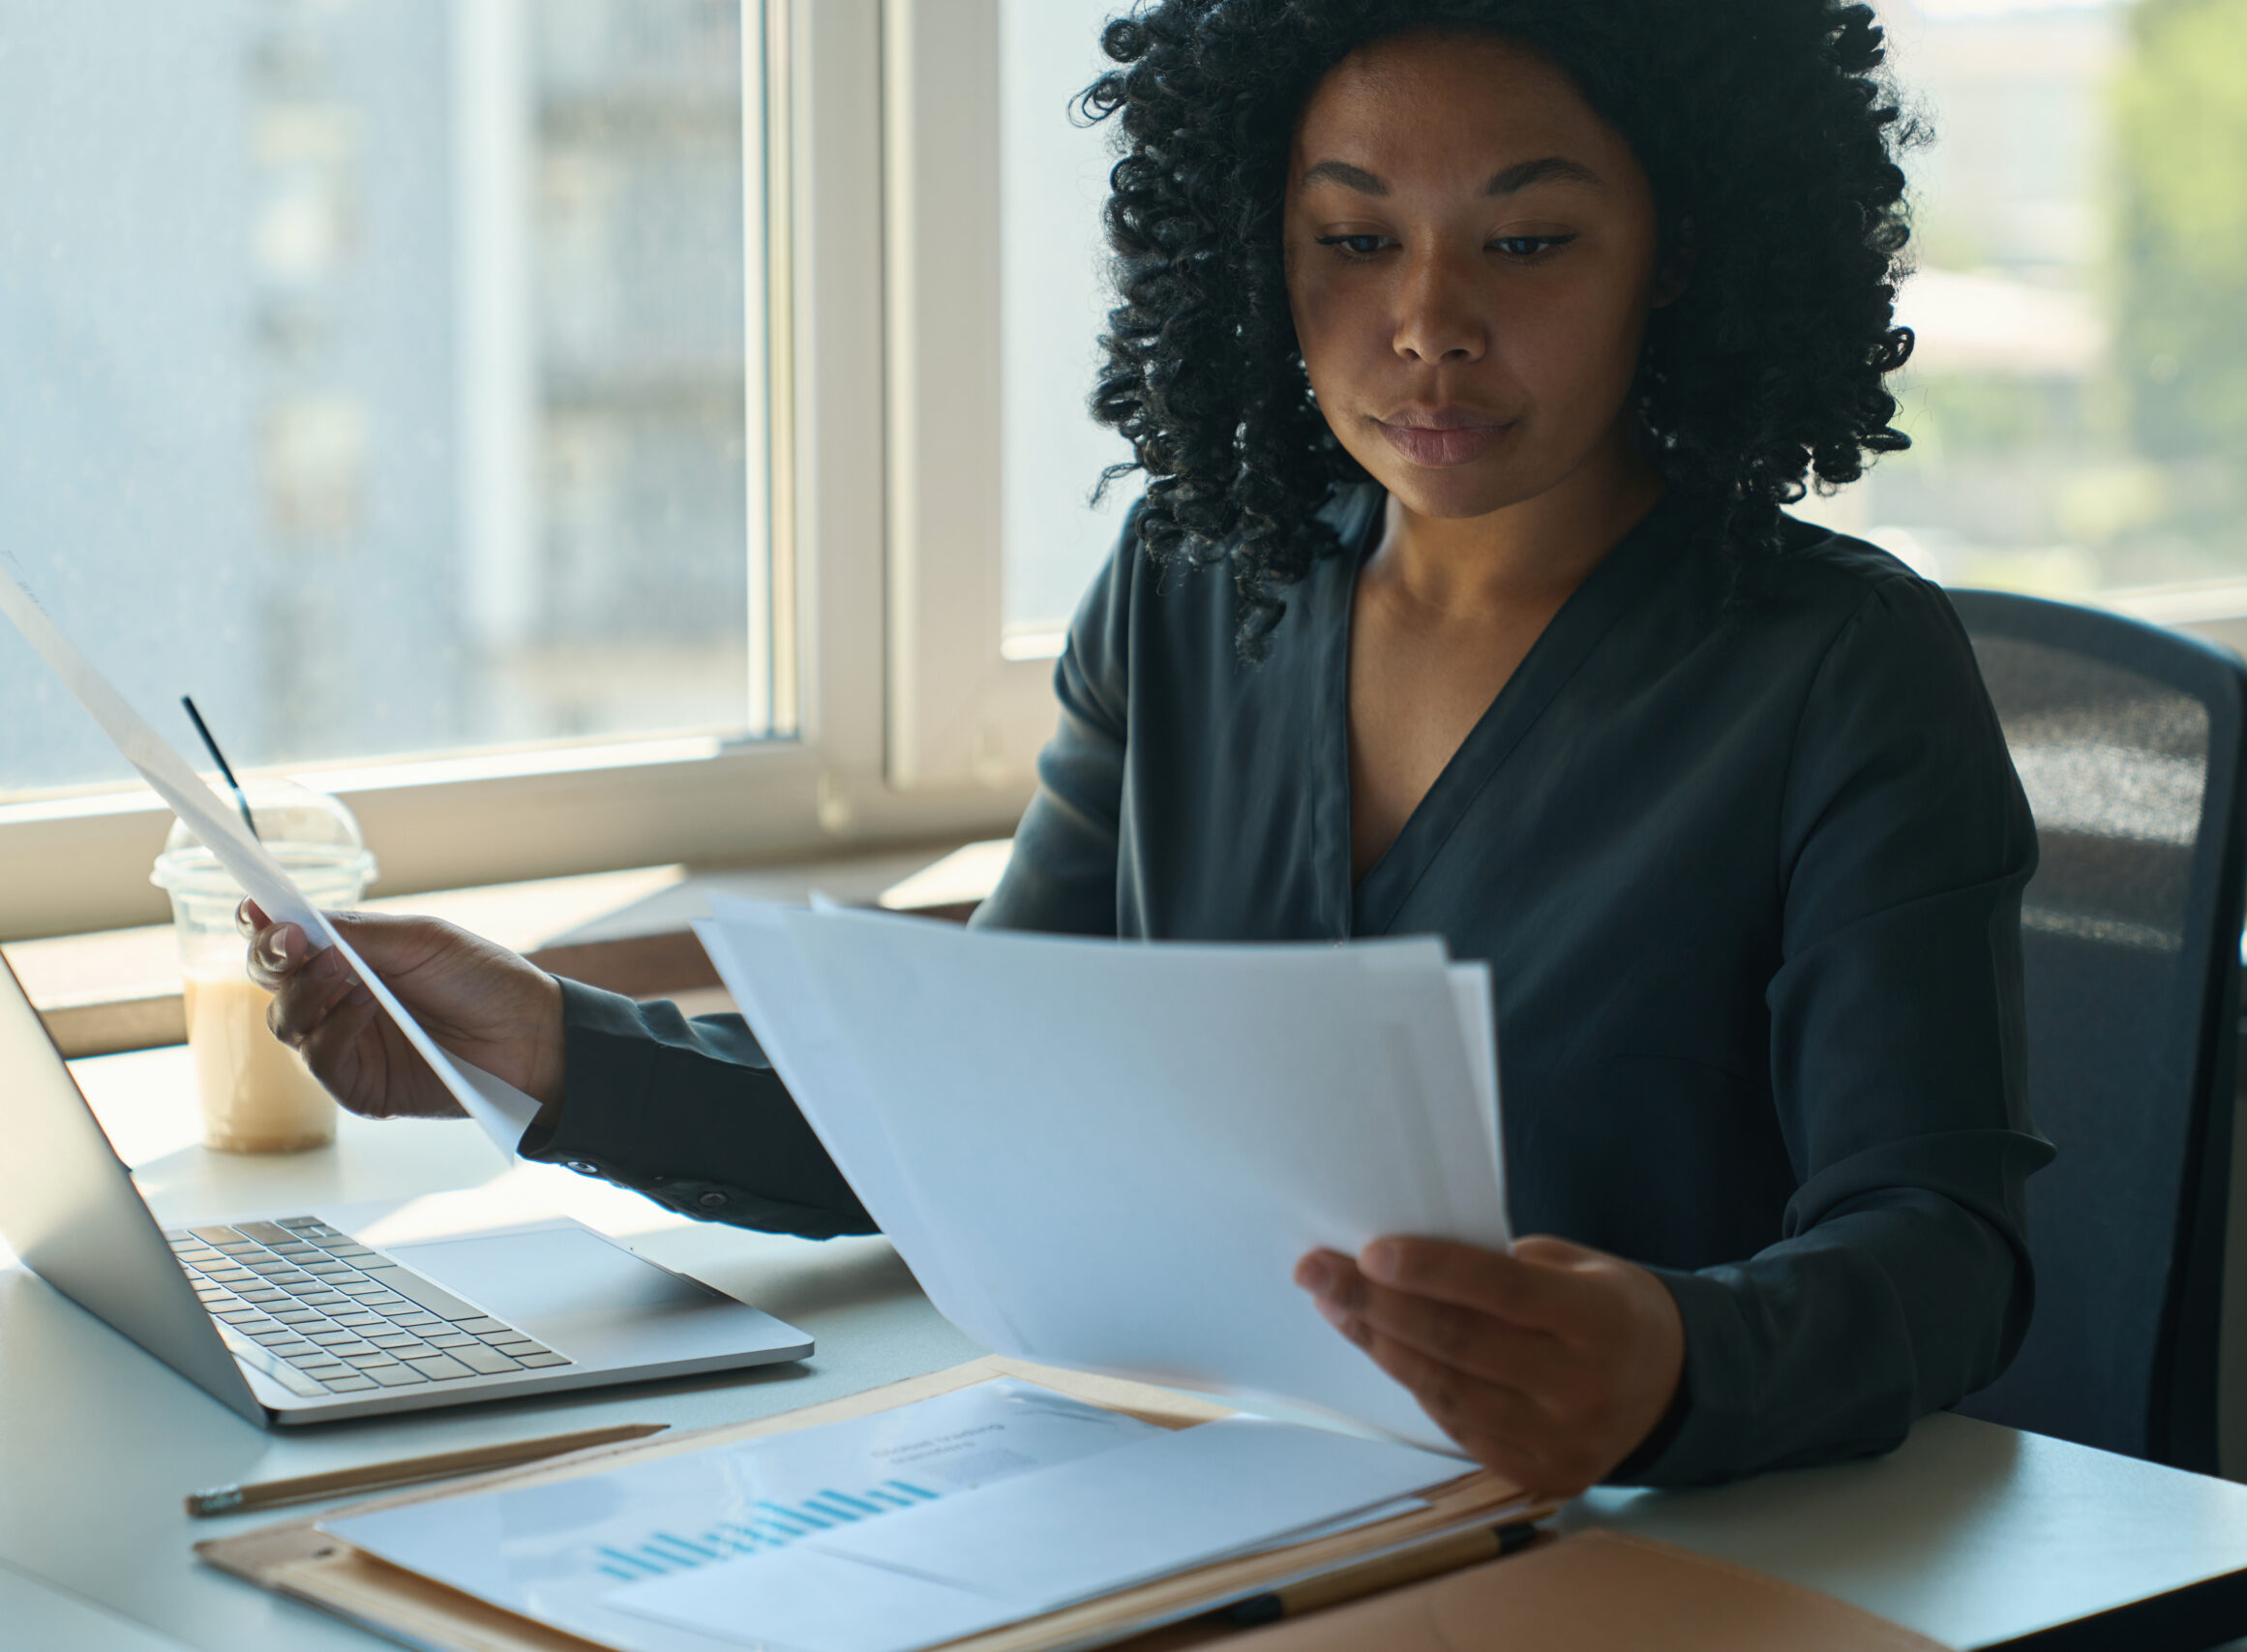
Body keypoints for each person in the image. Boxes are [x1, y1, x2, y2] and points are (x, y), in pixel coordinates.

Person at [246, 0, 2050, 1499]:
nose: (1428, 319)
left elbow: (1943, 1252)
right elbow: (984, 1111)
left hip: (1653, 1550)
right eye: (1353, 238)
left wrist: (1670, 1361)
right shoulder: (1194, 591)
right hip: (1211, 1503)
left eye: (1527, 238)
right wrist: (548, 1048)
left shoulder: (1843, 672)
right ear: (1258, 252)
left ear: (1682, 253)